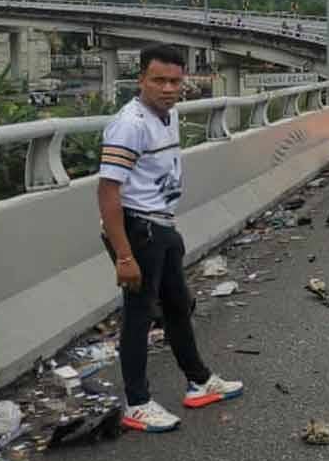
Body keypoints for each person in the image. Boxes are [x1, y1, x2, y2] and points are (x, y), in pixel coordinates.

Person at [98, 44, 243, 433]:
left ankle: (199, 380)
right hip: (138, 229)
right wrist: (124, 256)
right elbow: (108, 192)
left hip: (161, 225)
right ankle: (137, 403)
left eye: (175, 81)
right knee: (139, 315)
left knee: (178, 306)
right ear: (141, 79)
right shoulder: (130, 125)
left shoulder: (170, 114)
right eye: (158, 80)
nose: (167, 88)